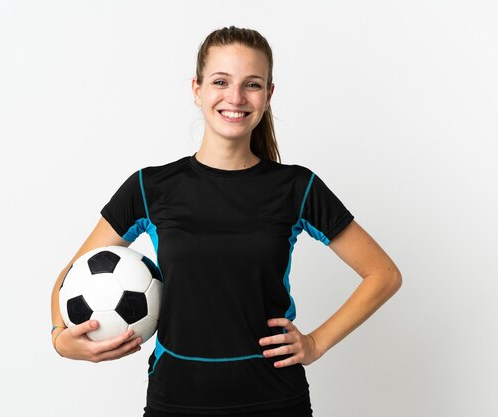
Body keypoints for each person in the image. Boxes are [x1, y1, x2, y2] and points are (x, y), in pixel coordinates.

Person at [50, 26, 402, 417]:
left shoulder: (296, 187)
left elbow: (383, 273)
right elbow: (71, 276)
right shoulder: (150, 187)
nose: (235, 97)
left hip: (274, 400)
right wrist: (60, 339)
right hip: (176, 402)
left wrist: (316, 344)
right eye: (221, 81)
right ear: (197, 89)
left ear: (268, 96)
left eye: (251, 84)